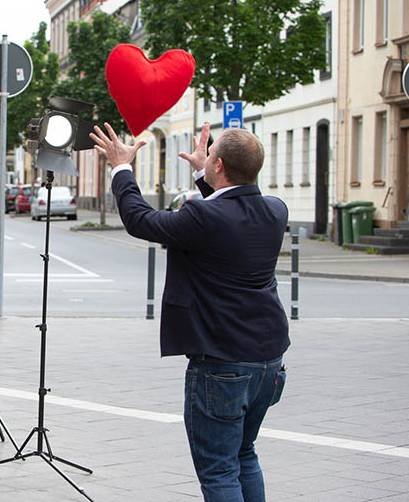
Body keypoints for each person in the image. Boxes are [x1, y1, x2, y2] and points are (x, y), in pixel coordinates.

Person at [90, 121, 289, 502]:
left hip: (223, 361)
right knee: (243, 454)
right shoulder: (275, 211)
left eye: (211, 156)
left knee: (218, 470)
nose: (207, 159)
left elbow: (140, 220)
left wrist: (121, 168)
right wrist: (204, 172)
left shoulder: (202, 216)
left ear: (220, 168)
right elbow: (229, 210)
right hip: (268, 361)